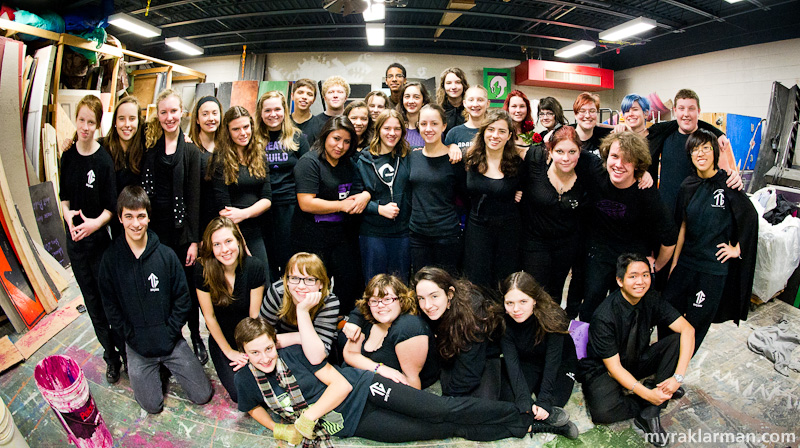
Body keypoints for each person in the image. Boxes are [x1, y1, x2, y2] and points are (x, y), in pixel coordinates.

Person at [233, 316, 561, 444]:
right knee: (441, 429)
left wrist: (306, 417)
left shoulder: (297, 355)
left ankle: (527, 415)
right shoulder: (248, 378)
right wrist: (277, 427)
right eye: (255, 353)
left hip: (364, 389)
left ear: (274, 342)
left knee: (440, 410)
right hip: (352, 423)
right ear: (244, 354)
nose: (264, 358)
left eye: (267, 349)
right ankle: (524, 427)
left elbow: (342, 385)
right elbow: (251, 407)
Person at [99, 186, 213, 414]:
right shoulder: (110, 261)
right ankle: (155, 372)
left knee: (203, 395)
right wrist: (131, 337)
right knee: (152, 406)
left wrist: (170, 332)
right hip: (138, 347)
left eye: (141, 216)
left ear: (149, 217)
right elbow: (110, 307)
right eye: (129, 216)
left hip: (170, 341)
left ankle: (167, 366)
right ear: (120, 218)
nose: (136, 223)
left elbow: (183, 299)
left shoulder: (166, 255)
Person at [580, 253, 695, 447]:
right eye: (633, 276)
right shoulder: (604, 316)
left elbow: (688, 330)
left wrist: (678, 377)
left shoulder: (651, 298)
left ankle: (650, 413)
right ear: (620, 280)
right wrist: (647, 394)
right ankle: (654, 395)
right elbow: (614, 368)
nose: (640, 282)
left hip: (637, 358)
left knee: (677, 340)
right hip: (605, 368)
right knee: (603, 413)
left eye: (645, 275)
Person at [663, 129, 758, 352]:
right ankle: (664, 360)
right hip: (686, 263)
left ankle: (675, 374)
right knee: (666, 311)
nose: (701, 153)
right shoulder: (687, 186)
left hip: (712, 269)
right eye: (696, 149)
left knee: (696, 324)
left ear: (715, 152)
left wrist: (738, 249)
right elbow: (683, 225)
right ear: (690, 155)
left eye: (706, 147)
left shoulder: (728, 183)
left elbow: (750, 216)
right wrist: (675, 263)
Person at [578, 132, 677, 323]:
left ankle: (621, 349)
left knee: (625, 313)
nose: (618, 164)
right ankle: (584, 350)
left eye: (628, 160)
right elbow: (567, 145)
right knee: (590, 305)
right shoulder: (596, 171)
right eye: (614, 156)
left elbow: (670, 237)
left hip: (631, 256)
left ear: (637, 165)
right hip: (599, 251)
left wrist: (654, 266)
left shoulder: (647, 193)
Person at [60, 94, 125, 384]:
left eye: (91, 122)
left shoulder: (103, 160)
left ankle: (125, 351)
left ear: (98, 124)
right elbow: (63, 197)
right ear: (76, 120)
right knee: (92, 305)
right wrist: (69, 219)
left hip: (99, 243)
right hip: (76, 243)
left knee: (108, 302)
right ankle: (111, 357)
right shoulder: (67, 156)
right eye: (81, 120)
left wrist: (93, 225)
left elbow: (111, 208)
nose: (85, 127)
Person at [142, 89, 207, 364]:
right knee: (163, 288)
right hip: (156, 232)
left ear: (182, 113)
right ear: (158, 116)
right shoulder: (151, 151)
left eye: (174, 111)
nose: (169, 117)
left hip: (182, 235)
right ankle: (174, 336)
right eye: (164, 112)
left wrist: (194, 241)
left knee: (187, 289)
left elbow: (194, 198)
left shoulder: (191, 151)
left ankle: (195, 335)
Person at [292, 116, 370, 315]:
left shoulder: (349, 163)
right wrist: (341, 205)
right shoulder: (309, 162)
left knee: (348, 285)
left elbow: (361, 190)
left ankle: (342, 327)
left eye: (346, 141)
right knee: (314, 289)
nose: (340, 146)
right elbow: (307, 202)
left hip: (343, 237)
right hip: (312, 237)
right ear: (325, 136)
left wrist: (365, 196)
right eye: (336, 139)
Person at [195, 217, 265, 403]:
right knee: (239, 394)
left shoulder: (254, 266)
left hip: (248, 335)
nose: (224, 250)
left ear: (238, 241)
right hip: (222, 338)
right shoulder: (203, 269)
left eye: (228, 241)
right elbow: (209, 317)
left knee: (263, 383)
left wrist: (251, 351)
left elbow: (254, 316)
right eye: (217, 244)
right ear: (210, 248)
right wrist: (229, 352)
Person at [520, 126, 588, 315]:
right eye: (560, 151)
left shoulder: (587, 171)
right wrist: (516, 191)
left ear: (579, 152)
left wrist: (642, 173)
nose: (566, 158)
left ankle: (551, 335)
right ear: (550, 151)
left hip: (566, 243)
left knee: (556, 293)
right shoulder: (535, 163)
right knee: (534, 291)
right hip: (535, 241)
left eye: (572, 152)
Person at [499, 272, 578, 433]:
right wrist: (523, 400)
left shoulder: (553, 317)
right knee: (513, 403)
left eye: (523, 301)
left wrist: (544, 400)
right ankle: (542, 426)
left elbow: (553, 362)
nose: (516, 309)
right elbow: (512, 362)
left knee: (553, 404)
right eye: (509, 303)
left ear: (534, 300)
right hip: (528, 361)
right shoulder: (504, 321)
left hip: (560, 363)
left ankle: (531, 423)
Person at [415, 267, 506, 400]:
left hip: (483, 354)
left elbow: (469, 374)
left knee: (479, 407)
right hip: (451, 349)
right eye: (421, 298)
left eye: (434, 296)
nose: (427, 305)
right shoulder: (429, 311)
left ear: (450, 294)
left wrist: (448, 400)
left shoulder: (472, 316)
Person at [646, 89, 734, 218]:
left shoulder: (711, 140)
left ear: (698, 111)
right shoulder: (665, 135)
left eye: (691, 109)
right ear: (675, 111)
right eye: (681, 109)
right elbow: (640, 134)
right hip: (667, 213)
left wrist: (734, 178)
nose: (686, 114)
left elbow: (726, 177)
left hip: (698, 215)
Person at [462, 109, 523, 289]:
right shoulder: (469, 159)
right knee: (476, 281)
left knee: (504, 282)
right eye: (490, 129)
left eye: (501, 131)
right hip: (477, 229)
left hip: (508, 232)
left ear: (509, 135)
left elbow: (526, 189)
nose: (495, 135)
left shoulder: (517, 163)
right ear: (483, 132)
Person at [343, 274, 437, 390]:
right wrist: (380, 369)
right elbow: (350, 354)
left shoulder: (408, 327)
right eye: (374, 300)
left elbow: (412, 384)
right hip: (365, 385)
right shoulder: (367, 319)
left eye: (388, 299)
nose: (381, 305)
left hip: (410, 394)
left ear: (401, 301)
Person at [254, 90, 311, 280]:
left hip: (290, 207)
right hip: (261, 208)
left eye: (277, 109)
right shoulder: (252, 139)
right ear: (260, 113)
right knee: (267, 258)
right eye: (267, 110)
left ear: (285, 110)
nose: (273, 114)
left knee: (289, 258)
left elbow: (307, 174)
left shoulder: (298, 138)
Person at [209, 106, 272, 269]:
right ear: (228, 132)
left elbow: (267, 198)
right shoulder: (220, 159)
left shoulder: (259, 154)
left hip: (258, 228)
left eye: (246, 127)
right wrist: (242, 246)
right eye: (236, 129)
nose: (243, 133)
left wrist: (244, 213)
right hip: (232, 232)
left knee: (263, 278)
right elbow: (225, 209)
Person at [409, 104, 467, 275]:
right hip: (417, 235)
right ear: (418, 125)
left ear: (443, 126)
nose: (428, 129)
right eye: (424, 123)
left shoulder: (454, 160)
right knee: (420, 284)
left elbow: (465, 195)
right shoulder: (412, 156)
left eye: (434, 124)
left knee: (446, 285)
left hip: (447, 234)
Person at [356, 110, 412, 282]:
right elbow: (354, 197)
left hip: (402, 232)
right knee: (375, 284)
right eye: (387, 128)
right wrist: (378, 208)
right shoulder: (363, 159)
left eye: (397, 129)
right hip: (373, 232)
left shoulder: (408, 156)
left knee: (401, 285)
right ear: (378, 130)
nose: (392, 133)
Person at [260, 252, 340, 356]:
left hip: (313, 356)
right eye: (294, 278)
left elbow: (316, 357)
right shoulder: (278, 292)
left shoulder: (329, 301)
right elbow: (260, 340)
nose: (301, 286)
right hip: (279, 351)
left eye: (310, 280)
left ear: (321, 283)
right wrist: (301, 337)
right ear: (287, 281)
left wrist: (302, 311)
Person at [189, 96, 223, 235]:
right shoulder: (190, 149)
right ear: (197, 119)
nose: (211, 118)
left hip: (223, 221)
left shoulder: (227, 149)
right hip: (199, 223)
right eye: (205, 114)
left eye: (215, 113)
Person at [302, 76, 350, 146]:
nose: (335, 95)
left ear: (346, 97)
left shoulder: (351, 121)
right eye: (331, 92)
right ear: (325, 97)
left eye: (340, 92)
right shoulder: (314, 122)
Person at [444, 85, 489, 154]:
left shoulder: (493, 132)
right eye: (471, 100)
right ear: (464, 103)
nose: (475, 104)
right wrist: (450, 146)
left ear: (487, 103)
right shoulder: (454, 133)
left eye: (480, 100)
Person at [572, 92, 611, 157]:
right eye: (582, 111)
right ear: (575, 115)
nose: (587, 115)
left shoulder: (605, 138)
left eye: (592, 111)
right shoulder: (567, 138)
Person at [503, 90, 541, 155]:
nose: (518, 110)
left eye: (522, 106)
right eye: (514, 106)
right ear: (508, 108)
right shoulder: (503, 133)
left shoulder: (532, 134)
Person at [396, 81, 430, 149]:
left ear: (423, 101)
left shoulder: (431, 129)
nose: (411, 101)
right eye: (407, 97)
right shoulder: (396, 127)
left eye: (416, 97)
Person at [436, 67, 469, 138]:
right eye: (449, 83)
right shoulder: (437, 111)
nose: (453, 87)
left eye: (458, 82)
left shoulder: (471, 109)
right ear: (443, 86)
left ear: (464, 85)